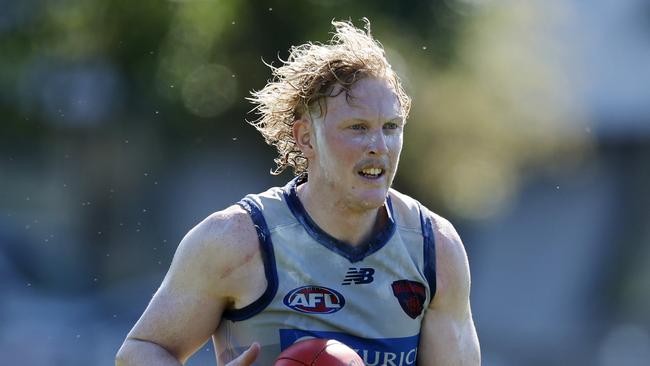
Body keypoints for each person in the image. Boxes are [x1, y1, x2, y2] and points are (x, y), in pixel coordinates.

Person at [116, 19, 480, 366]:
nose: (379, 145)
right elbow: (141, 350)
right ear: (306, 137)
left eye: (391, 127)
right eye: (357, 127)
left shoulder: (435, 249)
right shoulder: (236, 241)